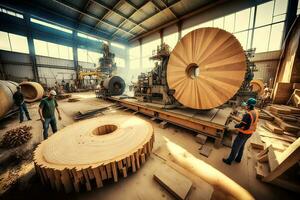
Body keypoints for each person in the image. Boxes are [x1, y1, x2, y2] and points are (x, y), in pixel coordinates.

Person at [223, 98, 259, 165]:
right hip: (249, 133)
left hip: (243, 133)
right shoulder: (255, 111)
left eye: (247, 105)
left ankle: (229, 160)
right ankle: (238, 159)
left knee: (235, 146)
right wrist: (235, 118)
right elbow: (250, 122)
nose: (246, 106)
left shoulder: (248, 115)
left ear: (249, 106)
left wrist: (236, 126)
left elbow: (244, 126)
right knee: (241, 146)